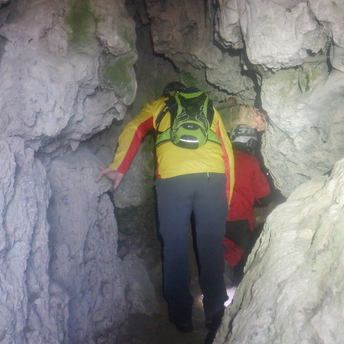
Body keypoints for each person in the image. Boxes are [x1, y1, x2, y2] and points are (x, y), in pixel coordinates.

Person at [96, 81, 234, 339]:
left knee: (174, 247)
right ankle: (215, 312)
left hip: (172, 180)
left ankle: (181, 316)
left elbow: (134, 128)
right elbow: (227, 153)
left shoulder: (158, 106)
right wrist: (226, 197)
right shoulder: (209, 109)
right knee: (211, 246)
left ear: (167, 94)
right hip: (212, 178)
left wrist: (119, 166)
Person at [224, 124, 271, 284]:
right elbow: (263, 194)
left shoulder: (220, 158)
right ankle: (228, 269)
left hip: (214, 217)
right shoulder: (250, 162)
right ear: (250, 143)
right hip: (240, 220)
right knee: (244, 247)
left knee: (223, 242)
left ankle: (217, 266)